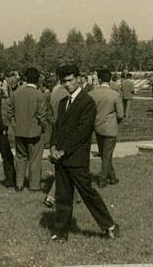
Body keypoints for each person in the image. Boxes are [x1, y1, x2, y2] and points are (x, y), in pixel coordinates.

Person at [49, 64, 118, 242]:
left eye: (70, 80)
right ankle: (60, 232)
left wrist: (64, 150)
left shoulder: (87, 102)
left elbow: (82, 131)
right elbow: (57, 127)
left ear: (79, 79)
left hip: (76, 158)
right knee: (62, 196)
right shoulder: (63, 102)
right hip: (61, 158)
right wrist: (53, 146)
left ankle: (109, 225)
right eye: (64, 81)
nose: (67, 84)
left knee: (88, 194)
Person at [7, 67, 51, 192]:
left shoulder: (16, 93)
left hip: (19, 131)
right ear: (38, 80)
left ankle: (19, 184)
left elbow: (9, 111)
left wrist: (14, 123)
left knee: (21, 157)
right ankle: (34, 185)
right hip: (35, 131)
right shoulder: (40, 95)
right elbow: (42, 116)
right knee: (35, 159)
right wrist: (43, 128)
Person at [90, 69, 124, 187]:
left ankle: (113, 177)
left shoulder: (92, 94)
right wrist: (115, 122)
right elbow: (120, 114)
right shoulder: (115, 95)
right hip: (110, 127)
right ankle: (102, 180)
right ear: (109, 79)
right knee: (107, 155)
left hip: (97, 127)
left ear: (99, 79)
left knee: (104, 154)